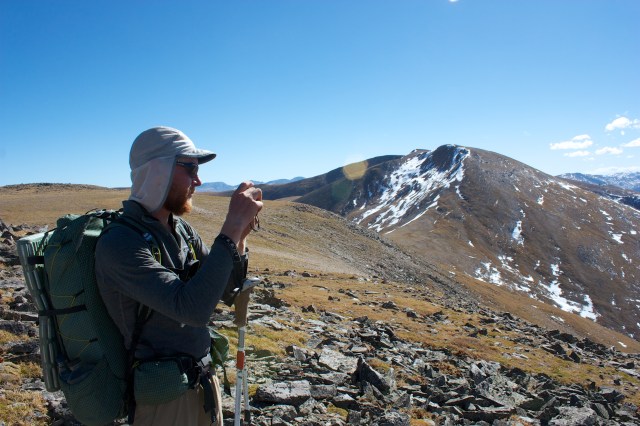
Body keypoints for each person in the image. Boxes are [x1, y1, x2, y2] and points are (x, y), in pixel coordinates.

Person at [95, 126, 263, 425]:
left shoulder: (181, 230)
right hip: (164, 399)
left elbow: (225, 291)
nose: (198, 181)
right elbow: (193, 310)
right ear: (158, 170)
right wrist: (230, 226)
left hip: (200, 379)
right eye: (190, 169)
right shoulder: (120, 242)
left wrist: (240, 235)